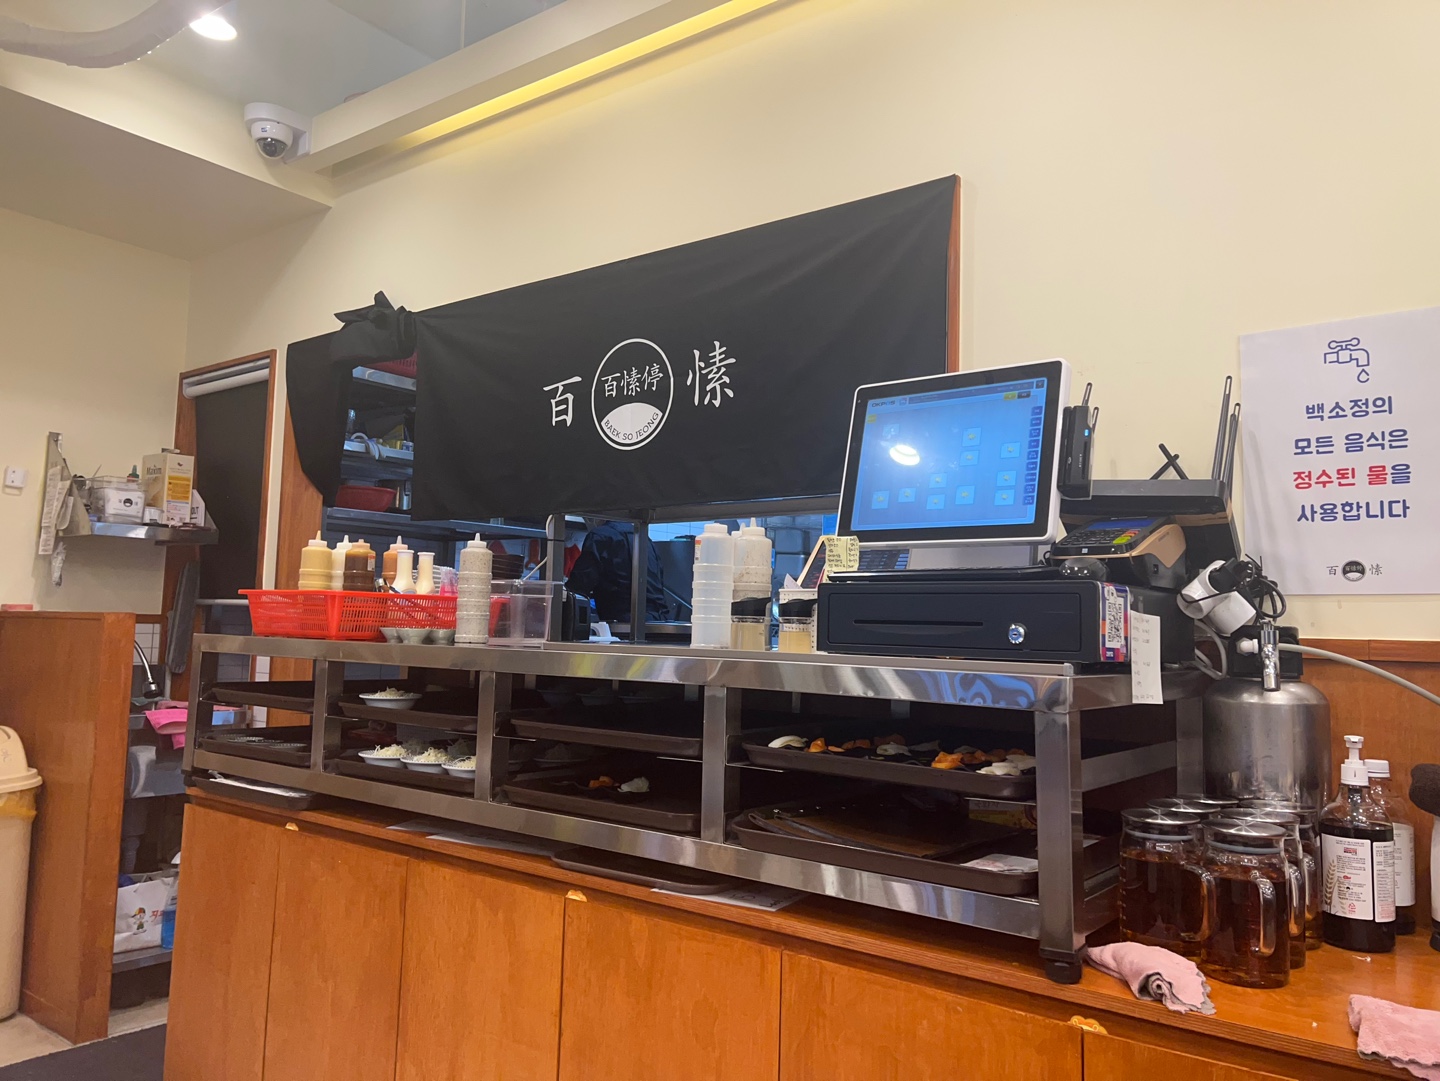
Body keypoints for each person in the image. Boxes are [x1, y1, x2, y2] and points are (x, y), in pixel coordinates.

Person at [565, 520, 669, 624]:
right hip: (659, 621)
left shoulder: (600, 535)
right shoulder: (645, 539)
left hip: (623, 624)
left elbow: (579, 585)